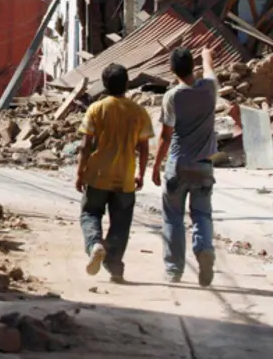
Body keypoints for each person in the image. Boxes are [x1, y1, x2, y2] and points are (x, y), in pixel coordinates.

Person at [76, 63, 153, 283]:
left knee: (90, 213)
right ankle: (115, 266)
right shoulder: (139, 112)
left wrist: (80, 173)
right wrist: (141, 174)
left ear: (105, 85)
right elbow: (144, 148)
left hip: (98, 175)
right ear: (127, 84)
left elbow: (85, 145)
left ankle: (95, 244)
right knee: (121, 223)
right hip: (125, 178)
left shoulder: (96, 109)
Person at [152, 46, 218, 286]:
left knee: (173, 218)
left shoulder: (172, 96)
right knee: (202, 214)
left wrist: (156, 165)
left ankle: (173, 270)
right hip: (203, 166)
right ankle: (204, 249)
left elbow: (166, 136)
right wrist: (206, 56)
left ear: (172, 70)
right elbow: (210, 69)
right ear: (194, 67)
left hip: (177, 165)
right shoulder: (210, 89)